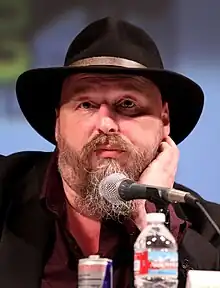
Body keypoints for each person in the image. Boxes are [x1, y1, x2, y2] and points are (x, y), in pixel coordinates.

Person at [0, 17, 219, 288]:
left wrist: (151, 215)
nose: (105, 124)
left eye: (127, 103)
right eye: (86, 104)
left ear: (164, 121)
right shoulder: (5, 189)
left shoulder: (209, 231)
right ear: (57, 121)